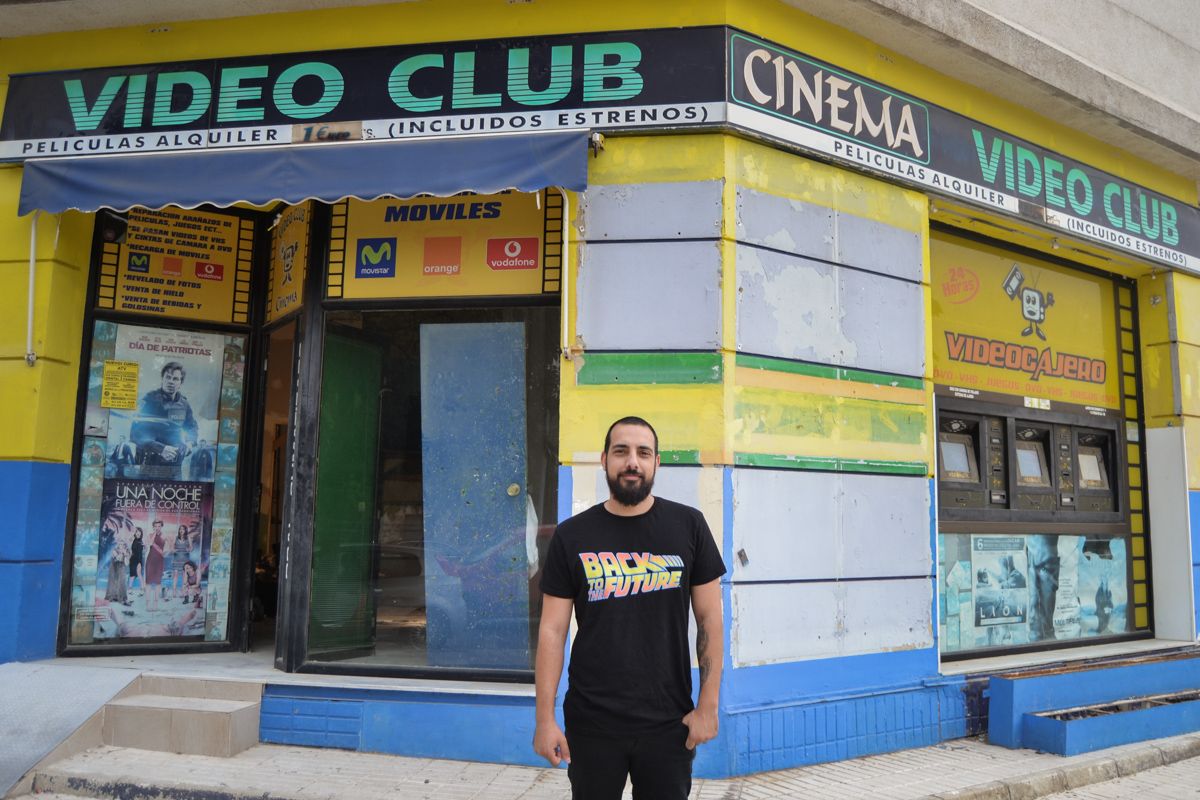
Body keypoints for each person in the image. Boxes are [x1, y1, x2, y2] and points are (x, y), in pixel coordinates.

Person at [533, 416, 725, 800]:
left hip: (668, 720)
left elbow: (710, 622)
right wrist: (544, 719)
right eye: (621, 451)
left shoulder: (689, 526)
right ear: (604, 460)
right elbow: (552, 631)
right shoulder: (573, 535)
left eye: (643, 452)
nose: (632, 461)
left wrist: (708, 706)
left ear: (657, 463)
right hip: (592, 722)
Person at [133, 361, 198, 480]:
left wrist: (189, 443)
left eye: (175, 379)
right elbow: (136, 434)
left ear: (180, 383)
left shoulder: (184, 404)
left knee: (174, 497)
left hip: (175, 468)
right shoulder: (149, 400)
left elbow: (192, 426)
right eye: (168, 377)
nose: (171, 381)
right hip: (151, 465)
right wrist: (161, 449)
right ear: (162, 379)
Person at [145, 521, 166, 612]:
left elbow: (165, 551)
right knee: (148, 583)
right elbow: (149, 544)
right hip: (150, 560)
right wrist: (154, 534)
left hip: (159, 561)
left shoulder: (164, 536)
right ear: (153, 527)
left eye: (159, 526)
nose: (157, 528)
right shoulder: (150, 535)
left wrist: (160, 549)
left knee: (158, 583)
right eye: (155, 526)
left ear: (161, 527)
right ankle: (148, 604)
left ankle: (156, 604)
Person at [128, 528, 145, 594]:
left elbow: (142, 552)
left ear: (141, 533)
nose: (138, 533)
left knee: (139, 573)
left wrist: (140, 562)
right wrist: (132, 534)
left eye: (139, 532)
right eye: (137, 532)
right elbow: (128, 542)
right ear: (135, 533)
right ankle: (130, 589)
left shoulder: (141, 541)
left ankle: (142, 589)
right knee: (132, 574)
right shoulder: (133, 539)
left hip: (138, 559)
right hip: (132, 559)